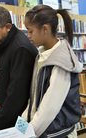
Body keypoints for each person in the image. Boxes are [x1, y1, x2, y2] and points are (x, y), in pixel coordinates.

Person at [21, 5, 83, 138]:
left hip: (59, 134)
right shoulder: (41, 55)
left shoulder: (61, 61)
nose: (28, 36)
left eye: (30, 31)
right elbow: (34, 99)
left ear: (45, 29)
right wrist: (21, 127)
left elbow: (49, 108)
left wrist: (28, 134)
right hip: (44, 131)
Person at [0, 6, 38, 131]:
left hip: (20, 121)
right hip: (10, 116)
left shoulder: (20, 49)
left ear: (7, 27)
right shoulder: (3, 43)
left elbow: (17, 96)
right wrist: (3, 103)